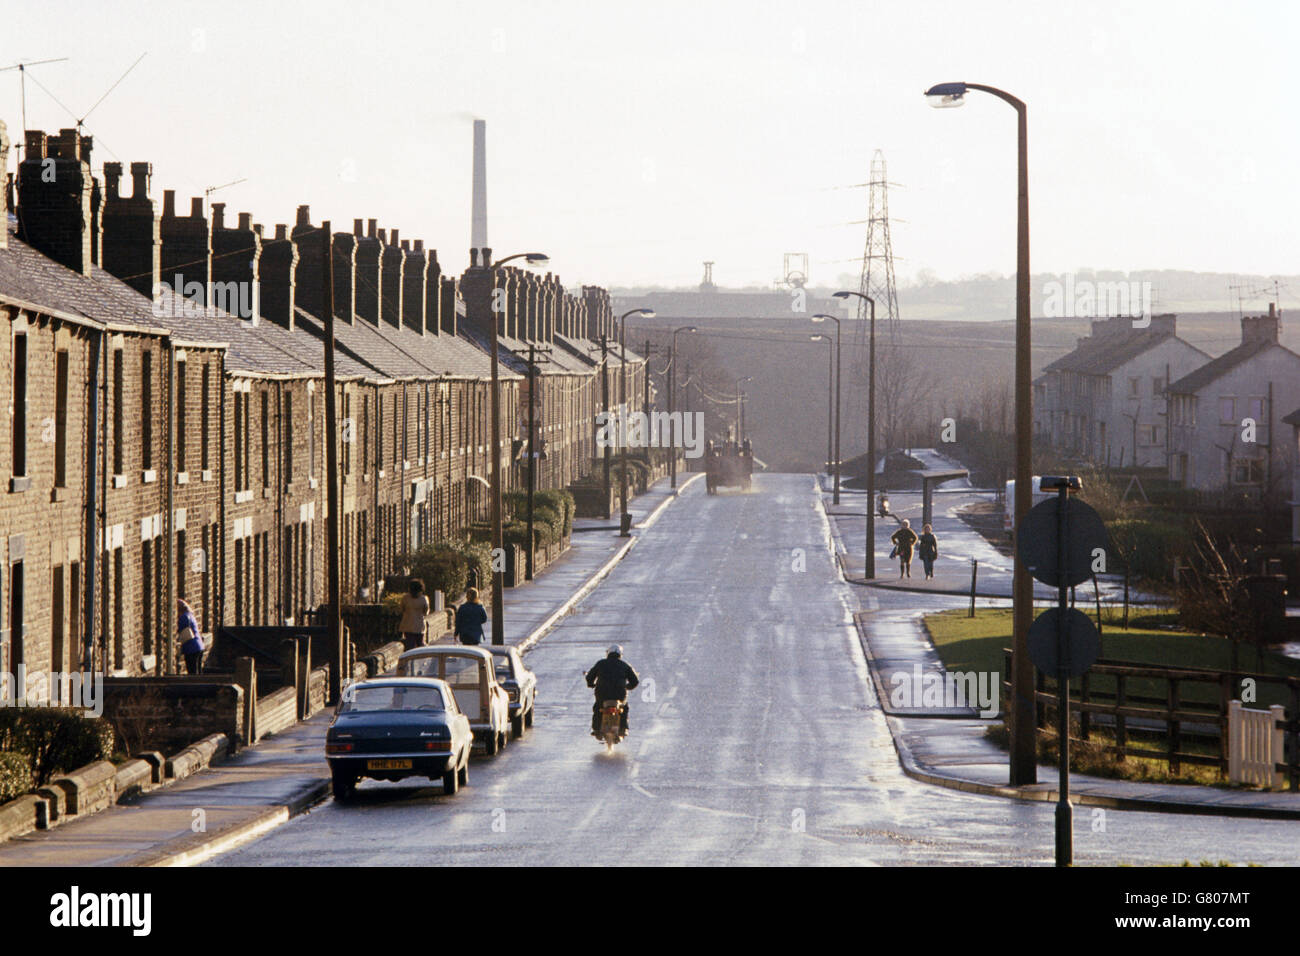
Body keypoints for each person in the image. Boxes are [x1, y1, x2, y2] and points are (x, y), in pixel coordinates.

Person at [585, 644, 639, 737]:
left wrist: (591, 684)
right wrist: (628, 687)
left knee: (598, 707)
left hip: (602, 693)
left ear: (608, 653)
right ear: (620, 654)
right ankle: (623, 728)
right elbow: (635, 681)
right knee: (624, 708)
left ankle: (597, 729)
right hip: (619, 694)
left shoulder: (601, 663)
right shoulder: (625, 665)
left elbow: (589, 677)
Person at [399, 579, 430, 651]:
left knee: (409, 645)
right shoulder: (424, 599)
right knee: (420, 645)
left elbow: (401, 609)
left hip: (407, 625)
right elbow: (426, 612)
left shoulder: (405, 598)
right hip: (419, 626)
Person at [178, 599, 204, 674]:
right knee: (198, 672)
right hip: (199, 646)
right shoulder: (190, 615)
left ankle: (196, 686)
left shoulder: (183, 617)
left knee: (192, 672)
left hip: (191, 647)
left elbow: (181, 630)